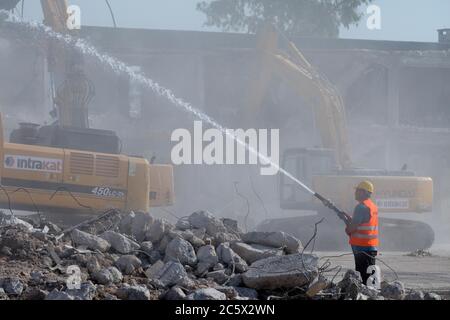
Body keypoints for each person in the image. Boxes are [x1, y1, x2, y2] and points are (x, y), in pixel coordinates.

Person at [344, 180, 379, 285]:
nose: (355, 193)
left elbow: (353, 228)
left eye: (358, 190)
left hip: (361, 246)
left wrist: (347, 229)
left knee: (362, 275)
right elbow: (364, 221)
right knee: (370, 276)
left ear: (364, 192)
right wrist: (351, 219)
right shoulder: (372, 206)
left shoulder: (360, 207)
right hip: (371, 246)